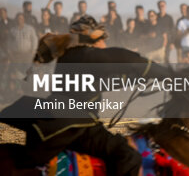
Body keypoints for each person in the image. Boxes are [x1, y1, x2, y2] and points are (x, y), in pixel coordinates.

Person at [0, 16, 171, 176]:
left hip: (73, 122)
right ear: (92, 40)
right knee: (128, 157)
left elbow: (107, 80)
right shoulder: (88, 56)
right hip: (75, 126)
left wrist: (145, 79)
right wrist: (166, 75)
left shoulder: (69, 56)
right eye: (102, 39)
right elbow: (126, 59)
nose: (105, 43)